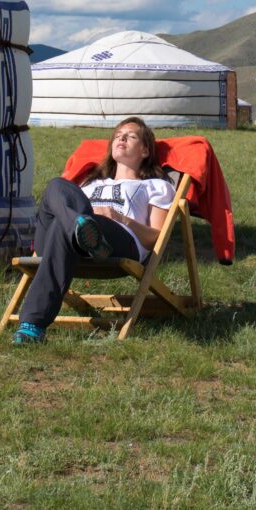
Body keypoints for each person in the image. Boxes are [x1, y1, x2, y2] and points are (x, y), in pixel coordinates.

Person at [13, 116, 175, 344]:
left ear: (145, 151)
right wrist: (82, 219)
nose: (121, 138)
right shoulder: (90, 185)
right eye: (118, 135)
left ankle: (32, 324)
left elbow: (156, 237)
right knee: (56, 186)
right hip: (72, 240)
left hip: (120, 239)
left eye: (131, 136)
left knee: (65, 224)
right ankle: (83, 230)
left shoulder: (156, 186)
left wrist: (119, 217)